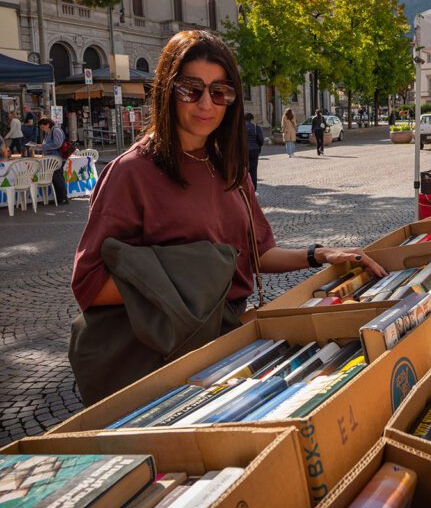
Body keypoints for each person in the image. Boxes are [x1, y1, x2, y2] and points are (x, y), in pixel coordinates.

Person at [69, 31, 384, 392]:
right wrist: (188, 287)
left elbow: (257, 253)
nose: (207, 103)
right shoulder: (131, 172)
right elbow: (89, 285)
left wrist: (320, 254)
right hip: (163, 360)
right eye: (191, 89)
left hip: (226, 347)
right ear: (167, 90)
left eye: (220, 92)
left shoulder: (228, 167)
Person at [38, 117, 69, 204]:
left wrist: (43, 146)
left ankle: (63, 198)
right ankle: (58, 198)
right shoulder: (49, 132)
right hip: (52, 158)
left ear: (47, 124)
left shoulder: (56, 130)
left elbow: (57, 144)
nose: (42, 129)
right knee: (55, 178)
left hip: (56, 158)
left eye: (43, 127)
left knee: (58, 177)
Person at [245, 112, 264, 190]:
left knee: (244, 170)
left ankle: (245, 189)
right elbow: (261, 141)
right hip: (254, 150)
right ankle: (253, 189)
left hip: (244, 150)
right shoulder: (256, 127)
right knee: (253, 171)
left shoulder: (240, 128)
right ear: (252, 119)